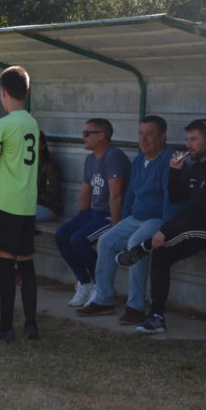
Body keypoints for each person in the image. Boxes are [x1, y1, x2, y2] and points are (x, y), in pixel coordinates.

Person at [114, 119, 206, 335]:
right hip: (190, 229)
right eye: (187, 139)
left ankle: (143, 247)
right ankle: (156, 316)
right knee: (160, 252)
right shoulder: (195, 167)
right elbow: (176, 198)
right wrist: (175, 172)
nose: (188, 145)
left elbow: (196, 206)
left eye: (194, 140)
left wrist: (164, 230)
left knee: (180, 229)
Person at [80, 116, 179, 325]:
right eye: (141, 134)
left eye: (150, 134)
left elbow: (171, 200)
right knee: (106, 240)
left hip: (157, 219)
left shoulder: (170, 160)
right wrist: (122, 221)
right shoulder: (139, 160)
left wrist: (166, 228)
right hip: (136, 217)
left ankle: (135, 307)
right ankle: (104, 300)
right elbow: (130, 195)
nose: (144, 139)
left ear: (163, 136)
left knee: (136, 244)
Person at [0, 65, 40, 342]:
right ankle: (31, 325)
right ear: (26, 93)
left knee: (6, 267)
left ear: (3, 92)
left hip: (7, 204)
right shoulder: (32, 123)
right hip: (28, 205)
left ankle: (5, 327)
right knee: (26, 265)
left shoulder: (2, 125)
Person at [54, 118, 130, 308]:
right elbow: (85, 191)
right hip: (94, 212)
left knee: (78, 240)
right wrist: (81, 218)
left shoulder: (114, 156)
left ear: (101, 136)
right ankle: (85, 282)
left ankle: (101, 286)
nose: (83, 137)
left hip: (110, 215)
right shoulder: (90, 159)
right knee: (62, 235)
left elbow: (116, 196)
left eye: (87, 133)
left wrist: (116, 225)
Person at [36, 131, 63, 222]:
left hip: (49, 208)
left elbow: (50, 195)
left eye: (35, 142)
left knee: (21, 217)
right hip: (30, 205)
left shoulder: (50, 166)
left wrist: (29, 199)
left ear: (42, 146)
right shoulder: (25, 165)